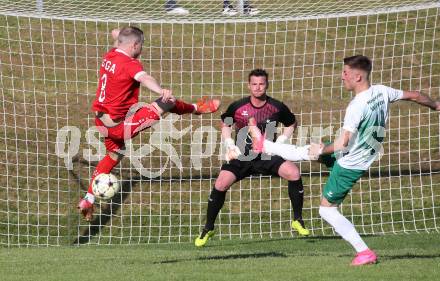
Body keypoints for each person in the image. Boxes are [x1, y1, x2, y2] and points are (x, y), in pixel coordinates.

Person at [249, 55, 440, 265]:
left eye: (345, 73)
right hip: (362, 151)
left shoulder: (357, 106)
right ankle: (265, 146)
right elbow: (414, 95)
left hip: (351, 162)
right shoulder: (382, 91)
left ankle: (364, 252)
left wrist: (323, 150)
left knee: (326, 209)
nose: (342, 77)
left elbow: (341, 143)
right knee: (309, 152)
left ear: (357, 77)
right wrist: (436, 105)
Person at [78, 26, 220, 221]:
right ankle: (197, 108)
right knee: (166, 103)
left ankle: (88, 198)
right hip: (120, 128)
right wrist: (160, 90)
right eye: (141, 44)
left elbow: (115, 33)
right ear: (135, 45)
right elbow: (145, 78)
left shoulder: (110, 55)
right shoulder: (130, 64)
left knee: (114, 155)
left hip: (101, 121)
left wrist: (123, 33)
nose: (142, 48)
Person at [194, 68, 310, 247]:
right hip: (242, 156)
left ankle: (297, 219)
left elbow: (291, 122)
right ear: (249, 85)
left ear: (267, 85)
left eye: (261, 83)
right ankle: (208, 228)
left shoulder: (276, 107)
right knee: (220, 183)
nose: (258, 87)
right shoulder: (238, 106)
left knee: (293, 172)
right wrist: (229, 144)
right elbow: (226, 124)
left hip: (266, 154)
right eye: (254, 84)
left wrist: (280, 142)